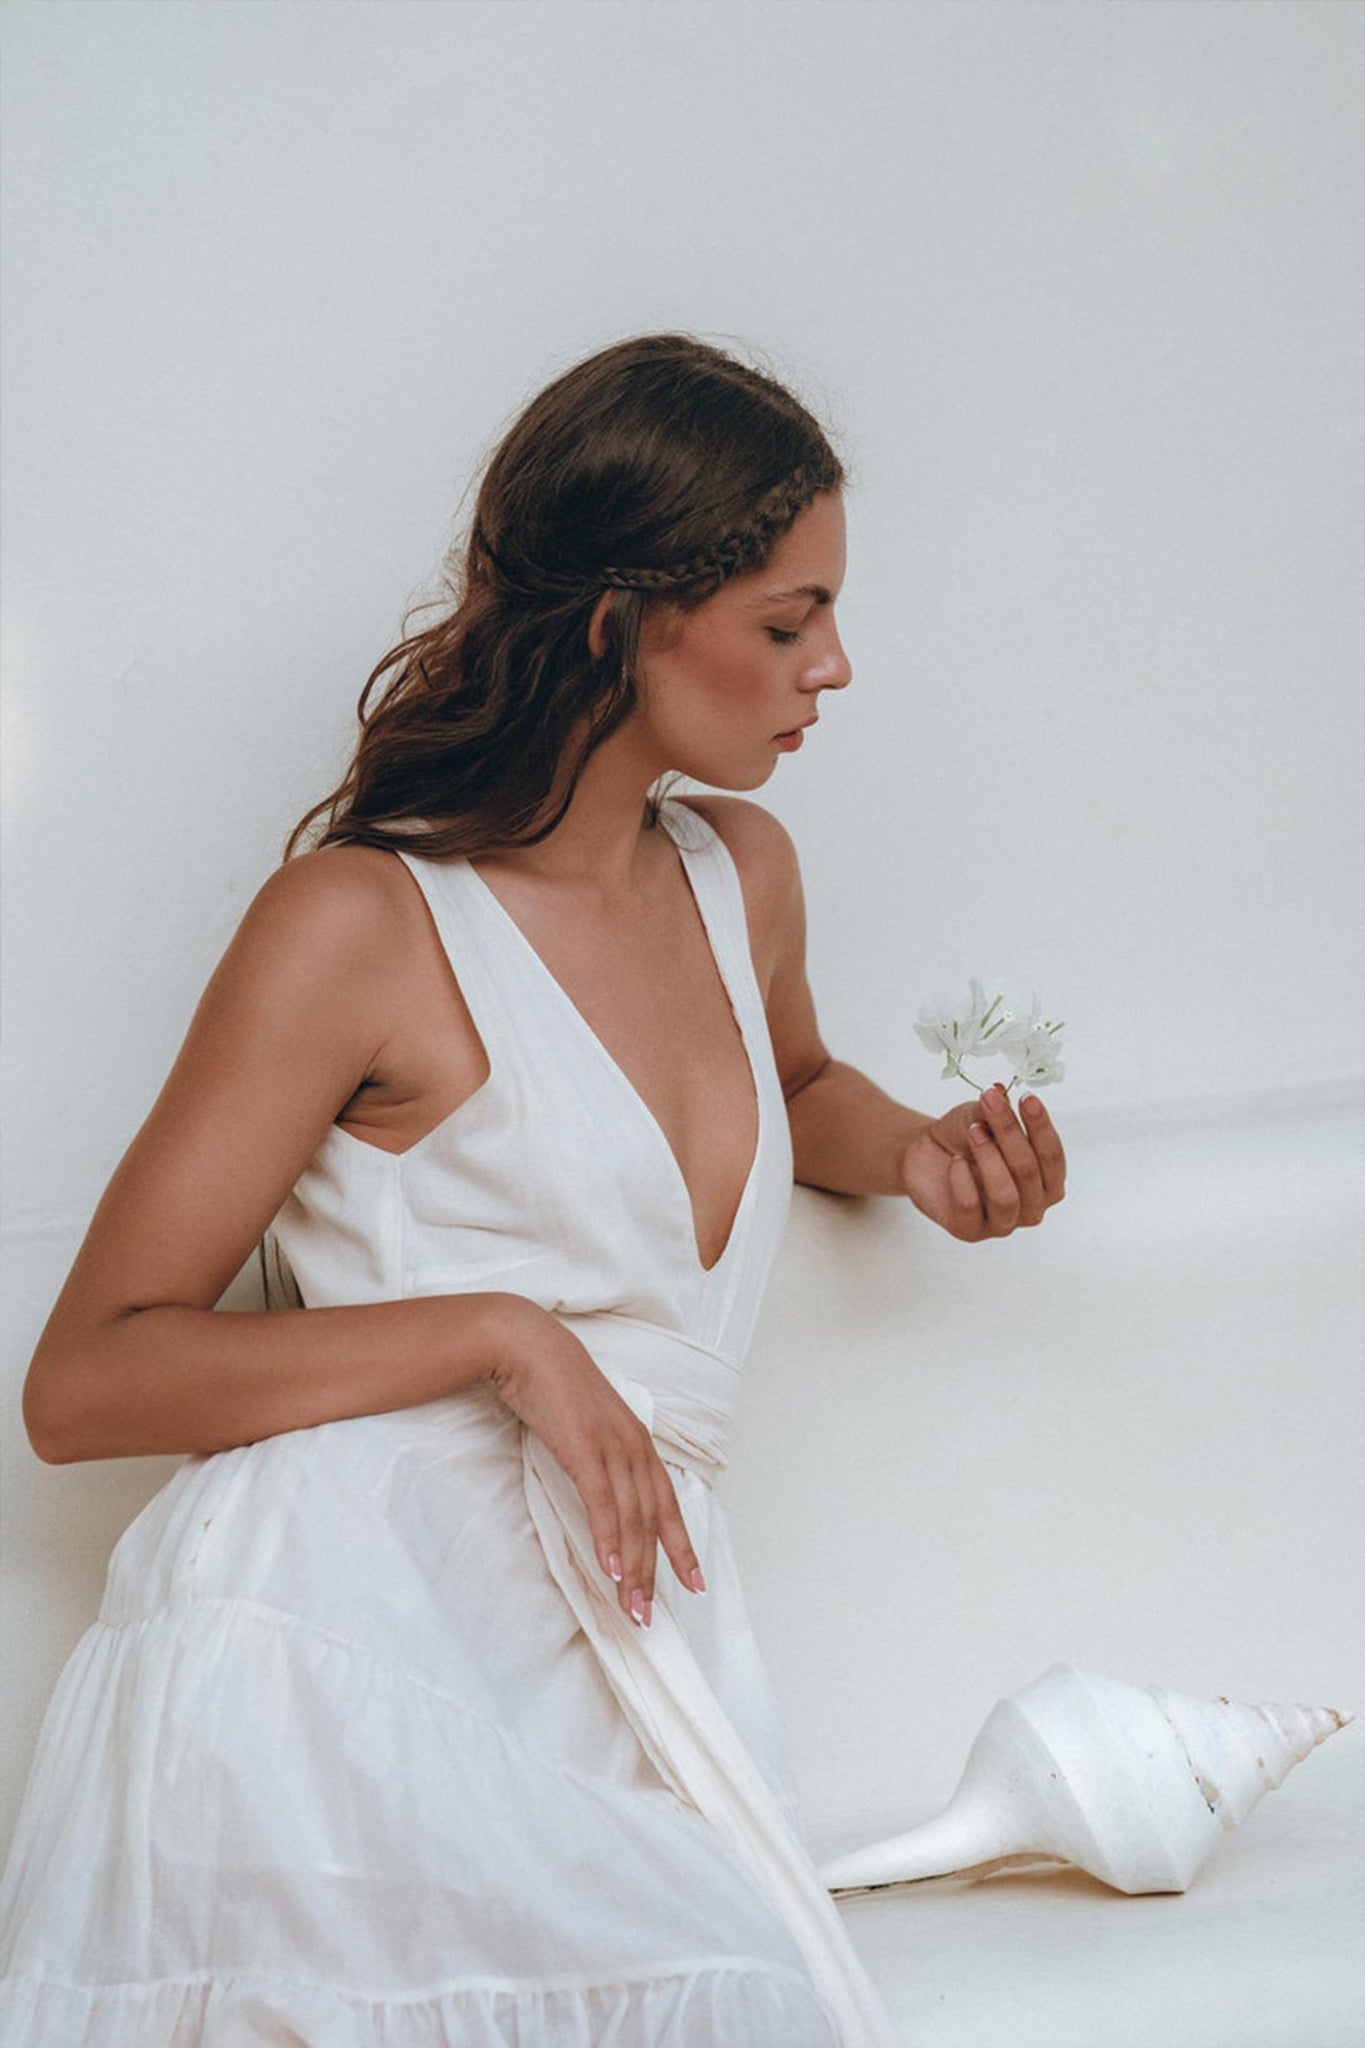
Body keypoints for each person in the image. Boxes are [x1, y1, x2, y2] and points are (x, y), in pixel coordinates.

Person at [0, 334, 1065, 2047]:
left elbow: (788, 1084)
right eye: (787, 622)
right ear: (618, 624)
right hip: (333, 1652)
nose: (836, 666)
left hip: (629, 1644)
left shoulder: (741, 876)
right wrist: (504, 1333)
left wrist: (922, 1160)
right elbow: (88, 1376)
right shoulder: (357, 925)